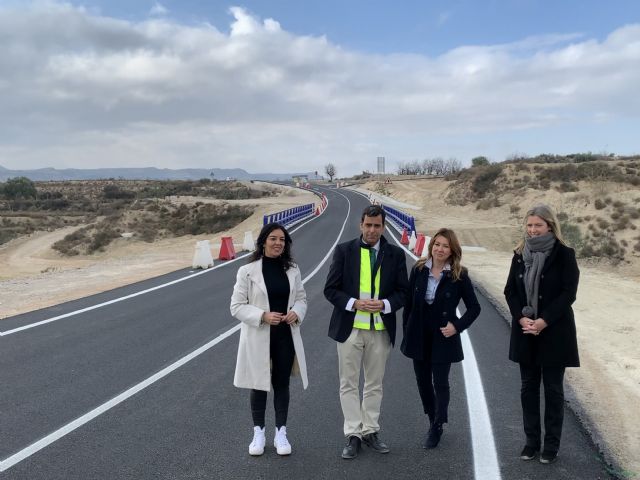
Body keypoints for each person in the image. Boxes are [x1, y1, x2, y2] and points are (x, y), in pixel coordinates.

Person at [324, 204, 408, 459]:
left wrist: (385, 304)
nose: (372, 230)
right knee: (348, 383)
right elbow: (330, 289)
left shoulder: (395, 254)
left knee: (374, 384)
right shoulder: (344, 251)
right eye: (368, 225)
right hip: (350, 330)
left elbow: (403, 292)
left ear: (384, 227)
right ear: (361, 225)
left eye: (377, 226)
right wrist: (354, 303)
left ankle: (370, 430)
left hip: (380, 330)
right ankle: (353, 434)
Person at [504, 204, 580, 465]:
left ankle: (551, 446)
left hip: (554, 332)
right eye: (529, 225)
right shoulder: (518, 254)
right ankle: (531, 442)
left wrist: (544, 320)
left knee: (553, 390)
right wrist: (521, 317)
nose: (533, 230)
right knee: (528, 389)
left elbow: (568, 293)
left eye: (538, 225)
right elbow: (510, 291)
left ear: (550, 226)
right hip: (526, 331)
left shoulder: (564, 254)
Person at [230, 222, 308, 456]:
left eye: (282, 240)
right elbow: (236, 307)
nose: (278, 243)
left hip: (285, 334)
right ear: (263, 241)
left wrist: (297, 311)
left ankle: (281, 433)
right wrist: (262, 315)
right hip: (259, 336)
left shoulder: (293, 269)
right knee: (259, 384)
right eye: (273, 239)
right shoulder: (247, 271)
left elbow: (302, 299)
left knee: (281, 383)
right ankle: (258, 433)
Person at [401, 228, 480, 449]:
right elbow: (408, 304)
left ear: (452, 250)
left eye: (445, 246)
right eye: (437, 244)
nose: (440, 249)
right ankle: (431, 418)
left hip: (443, 335)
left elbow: (475, 308)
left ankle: (437, 425)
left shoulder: (459, 274)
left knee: (441, 382)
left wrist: (456, 326)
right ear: (431, 246)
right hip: (418, 334)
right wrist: (406, 330)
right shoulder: (418, 269)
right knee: (422, 381)